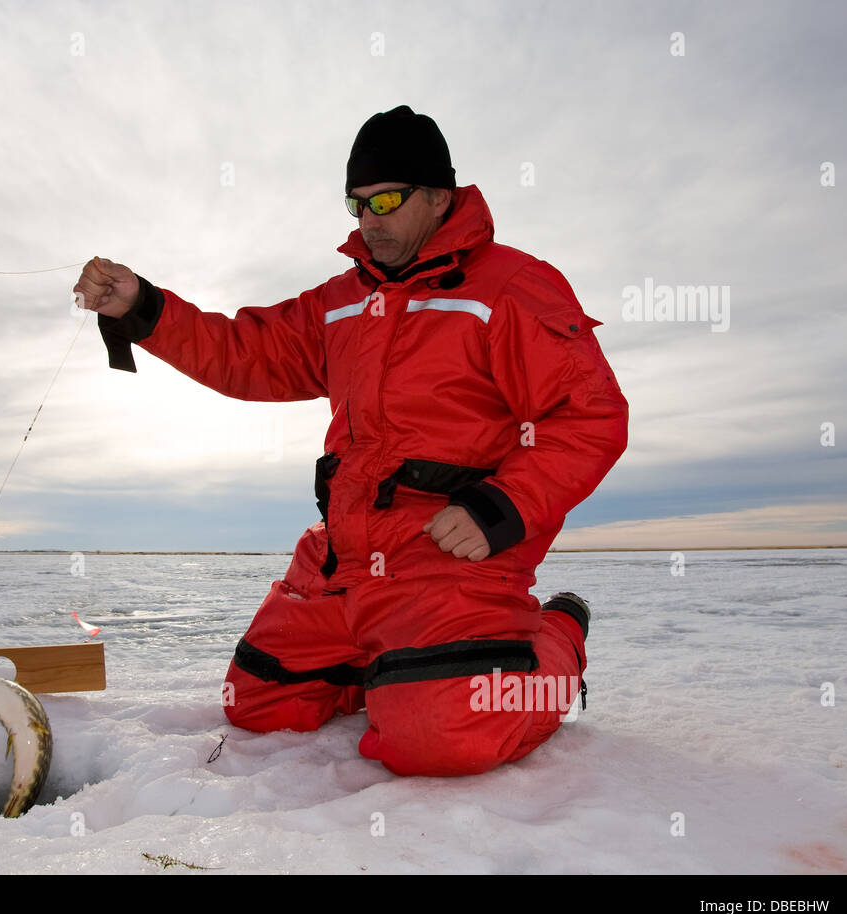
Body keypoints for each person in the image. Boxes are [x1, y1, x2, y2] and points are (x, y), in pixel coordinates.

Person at [73, 105, 628, 776]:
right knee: (257, 703)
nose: (369, 220)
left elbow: (589, 415)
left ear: (437, 195)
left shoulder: (512, 289)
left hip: (450, 559)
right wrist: (144, 307)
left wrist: (500, 508)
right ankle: (394, 664)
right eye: (356, 203)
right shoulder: (342, 302)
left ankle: (557, 637)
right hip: (344, 560)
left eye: (387, 200)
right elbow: (248, 355)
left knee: (437, 739)